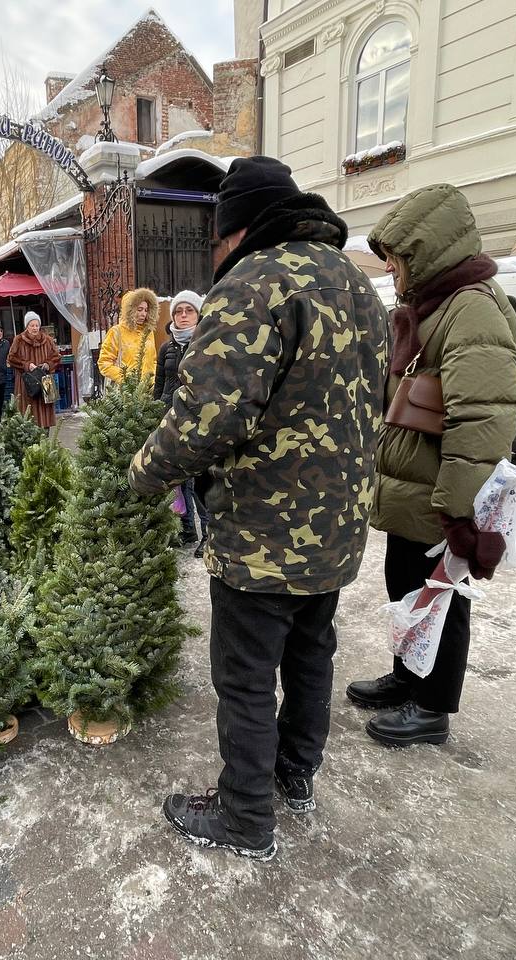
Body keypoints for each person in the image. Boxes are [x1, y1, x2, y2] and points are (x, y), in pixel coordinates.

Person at [129, 156, 389, 861]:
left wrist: (142, 472)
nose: (214, 255)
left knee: (244, 677)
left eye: (215, 240)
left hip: (263, 535)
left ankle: (246, 818)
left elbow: (208, 415)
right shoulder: (359, 285)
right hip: (336, 531)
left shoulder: (254, 282)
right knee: (311, 655)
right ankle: (295, 778)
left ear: (235, 229)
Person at [346, 183, 516, 749]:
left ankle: (432, 708)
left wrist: (456, 507)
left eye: (397, 258)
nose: (391, 269)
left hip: (440, 494)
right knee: (407, 587)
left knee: (441, 599)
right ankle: (407, 676)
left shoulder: (473, 308)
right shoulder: (435, 305)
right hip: (412, 490)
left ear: (428, 251)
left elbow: (482, 418)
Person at [153, 290, 209, 550]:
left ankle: (208, 533)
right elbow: (160, 383)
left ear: (198, 314)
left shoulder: (206, 343)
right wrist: (155, 412)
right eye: (178, 311)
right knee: (179, 478)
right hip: (171, 415)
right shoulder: (166, 347)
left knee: (201, 477)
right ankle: (187, 531)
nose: (183, 316)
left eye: (189, 311)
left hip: (198, 418)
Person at [7, 310, 62, 429]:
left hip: (45, 379)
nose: (35, 328)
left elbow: (57, 357)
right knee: (28, 411)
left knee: (45, 411)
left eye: (37, 325)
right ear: (27, 326)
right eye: (32, 325)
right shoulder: (19, 340)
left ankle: (45, 437)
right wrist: (27, 365)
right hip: (26, 382)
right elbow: (11, 358)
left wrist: (48, 364)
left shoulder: (47, 340)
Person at [99, 287, 158, 385]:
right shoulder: (116, 332)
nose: (143, 314)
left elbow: (153, 360)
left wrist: (153, 380)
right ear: (129, 310)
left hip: (147, 392)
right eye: (139, 310)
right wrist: (126, 379)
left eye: (146, 310)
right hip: (124, 392)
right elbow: (104, 363)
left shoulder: (148, 332)